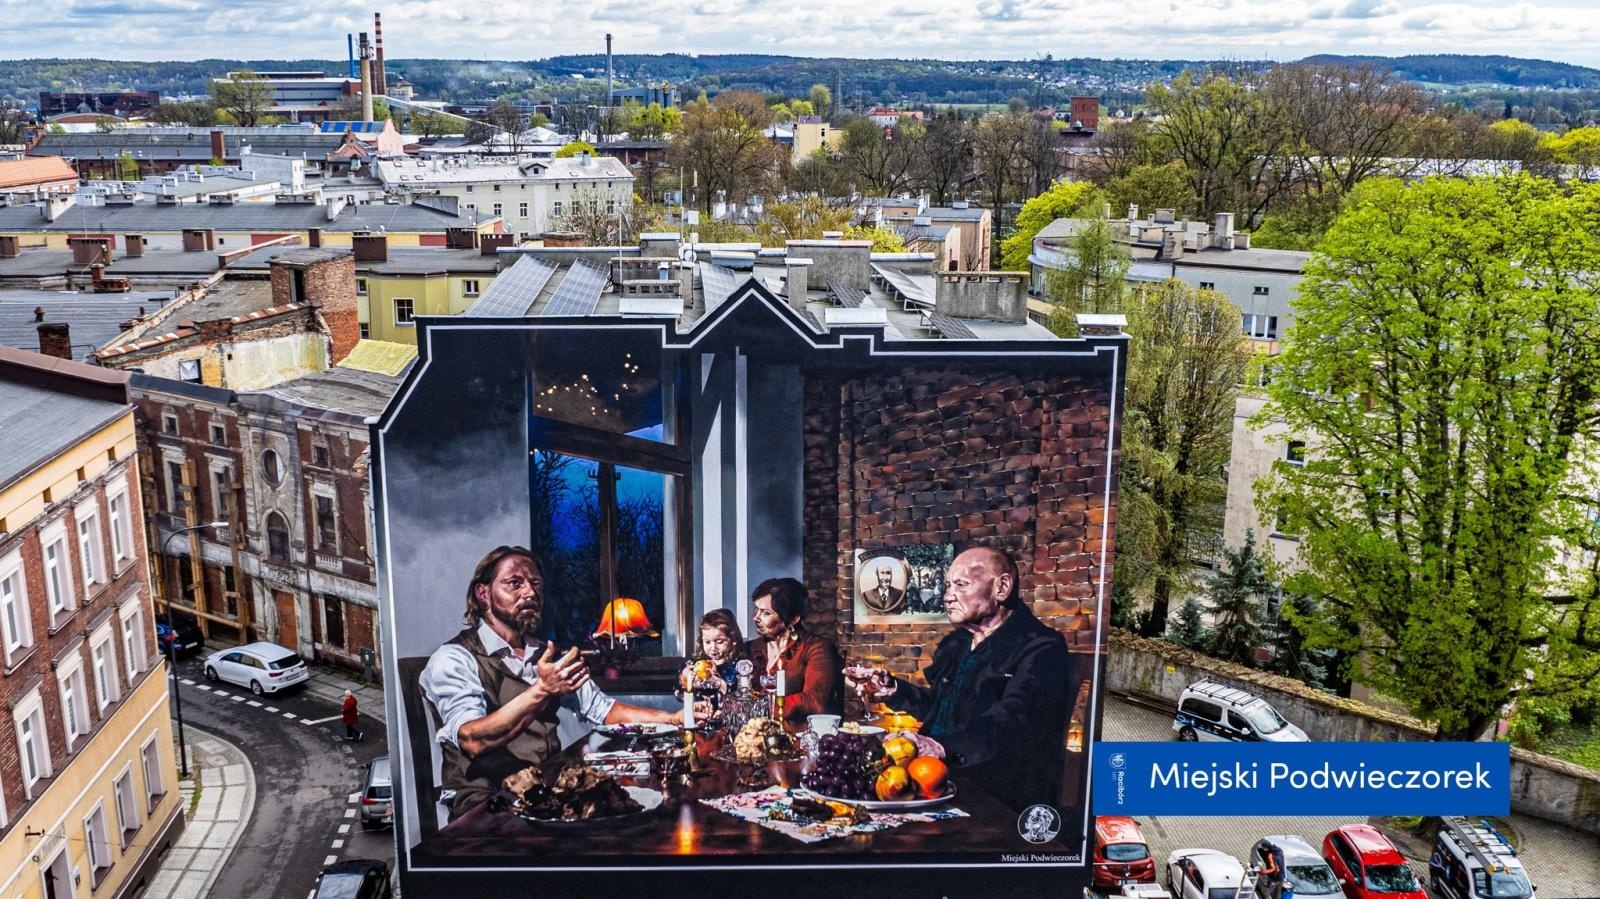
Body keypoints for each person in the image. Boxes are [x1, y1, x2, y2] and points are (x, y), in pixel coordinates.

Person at [420, 546, 701, 817]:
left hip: (547, 794)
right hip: (488, 807)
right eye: (514, 583)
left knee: (648, 814)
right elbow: (472, 739)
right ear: (483, 594)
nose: (530, 592)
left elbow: (603, 710)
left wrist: (674, 718)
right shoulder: (454, 658)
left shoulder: (547, 654)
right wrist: (542, 690)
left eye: (535, 584)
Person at [845, 546, 1073, 814]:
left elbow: (1013, 722)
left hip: (991, 796)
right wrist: (892, 690)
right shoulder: (959, 643)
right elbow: (942, 706)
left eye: (961, 585)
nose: (947, 596)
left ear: (1002, 588)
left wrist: (941, 748)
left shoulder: (1043, 647)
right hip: (931, 777)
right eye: (947, 586)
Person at [745, 577, 842, 724]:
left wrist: (761, 707)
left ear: (793, 619)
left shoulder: (816, 648)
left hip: (799, 738)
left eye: (765, 613)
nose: (755, 618)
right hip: (753, 735)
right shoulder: (750, 649)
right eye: (756, 610)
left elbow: (815, 701)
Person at [678, 608, 747, 692]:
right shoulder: (695, 663)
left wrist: (719, 683)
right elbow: (679, 693)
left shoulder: (739, 666)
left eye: (719, 642)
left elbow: (742, 695)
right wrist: (685, 677)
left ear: (733, 640)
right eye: (707, 642)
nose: (713, 647)